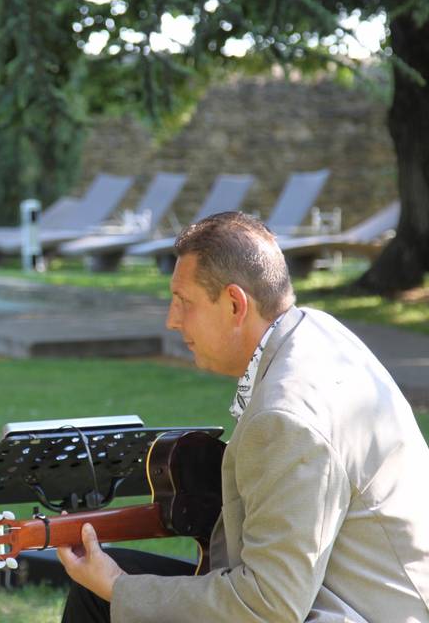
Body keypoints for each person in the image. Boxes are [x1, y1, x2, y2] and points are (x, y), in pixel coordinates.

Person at [58, 211, 429, 622]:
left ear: (235, 303)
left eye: (184, 302)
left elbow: (269, 605)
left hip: (363, 613)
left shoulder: (285, 417)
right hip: (360, 598)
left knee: (105, 599)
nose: (171, 319)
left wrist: (117, 587)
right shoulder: (318, 332)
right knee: (100, 596)